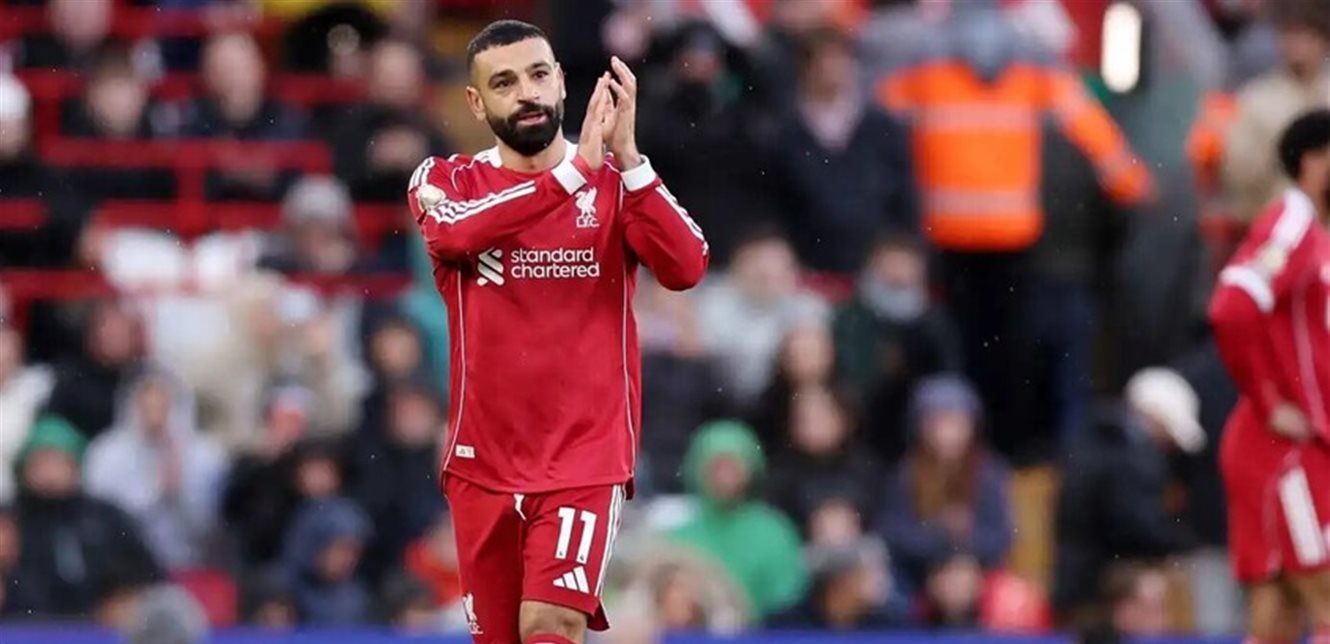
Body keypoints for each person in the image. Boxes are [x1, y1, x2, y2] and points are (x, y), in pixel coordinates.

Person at [404, 20, 709, 644]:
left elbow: (687, 267)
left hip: (583, 457)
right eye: (504, 83)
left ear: (562, 83)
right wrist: (571, 178)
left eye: (539, 75)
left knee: (552, 623)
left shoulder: (615, 184)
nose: (527, 93)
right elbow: (453, 234)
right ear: (476, 103)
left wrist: (630, 161)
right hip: (482, 462)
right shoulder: (446, 180)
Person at [1209, 109, 1330, 644]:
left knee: (1277, 616)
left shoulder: (1315, 235)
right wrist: (1268, 399)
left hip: (1291, 448)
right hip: (1285, 452)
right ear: (1314, 161)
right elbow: (1232, 306)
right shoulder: (1291, 225)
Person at [1052, 368, 1201, 624]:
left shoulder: (1095, 441)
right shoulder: (1129, 456)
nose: (1169, 447)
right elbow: (1134, 525)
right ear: (1155, 418)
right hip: (1097, 585)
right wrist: (1184, 544)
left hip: (1078, 580)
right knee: (1151, 588)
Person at [774, 27, 918, 273]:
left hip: (876, 262)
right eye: (823, 62)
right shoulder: (785, 133)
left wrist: (904, 249)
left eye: (839, 60)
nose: (832, 70)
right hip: (809, 264)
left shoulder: (881, 125)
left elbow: (904, 195)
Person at [10, 415, 162, 618]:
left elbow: (147, 573)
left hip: (101, 626)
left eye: (58, 461)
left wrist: (124, 598)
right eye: (41, 462)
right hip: (25, 626)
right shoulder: (11, 521)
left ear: (75, 467)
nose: (49, 472)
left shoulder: (106, 517)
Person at [877, 375, 1013, 595]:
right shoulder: (905, 473)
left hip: (978, 574)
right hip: (919, 575)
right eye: (937, 423)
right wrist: (939, 537)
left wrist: (964, 545)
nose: (947, 433)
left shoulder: (989, 472)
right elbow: (893, 535)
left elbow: (1001, 537)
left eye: (956, 423)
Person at [83, 367, 229, 571]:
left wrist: (178, 493)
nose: (155, 417)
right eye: (146, 407)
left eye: (162, 406)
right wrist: (154, 493)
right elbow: (103, 525)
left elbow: (212, 532)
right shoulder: (105, 454)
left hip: (192, 568)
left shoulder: (207, 456)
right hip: (127, 571)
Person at [832, 234, 961, 460]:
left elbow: (948, 377)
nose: (899, 274)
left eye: (907, 264)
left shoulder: (934, 321)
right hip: (863, 424)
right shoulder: (850, 317)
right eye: (891, 263)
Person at [670, 420, 808, 619]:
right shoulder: (677, 535)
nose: (725, 477)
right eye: (717, 467)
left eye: (733, 467)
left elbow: (788, 599)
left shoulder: (775, 533)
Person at [1222, 0, 1330, 223]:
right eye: (1291, 35)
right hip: (1280, 221)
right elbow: (1240, 177)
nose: (1299, 46)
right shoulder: (1257, 99)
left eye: (1307, 36)